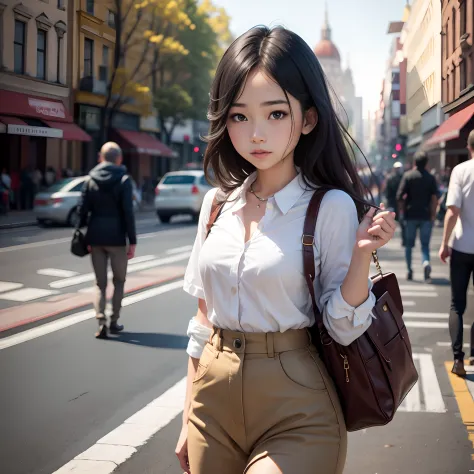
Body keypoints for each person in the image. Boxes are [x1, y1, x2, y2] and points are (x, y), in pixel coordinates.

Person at [175, 26, 396, 474]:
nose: (257, 133)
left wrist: (359, 257)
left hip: (296, 403)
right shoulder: (216, 205)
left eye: (275, 114)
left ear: (308, 118)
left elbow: (344, 328)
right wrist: (187, 414)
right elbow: (202, 321)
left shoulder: (328, 205)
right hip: (210, 404)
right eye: (239, 116)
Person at [78, 142, 137, 339]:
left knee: (99, 283)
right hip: (117, 238)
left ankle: (101, 320)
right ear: (119, 158)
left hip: (95, 237)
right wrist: (132, 240)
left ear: (100, 158)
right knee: (119, 280)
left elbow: (82, 210)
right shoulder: (124, 179)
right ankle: (114, 321)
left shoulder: (90, 179)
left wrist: (83, 235)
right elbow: (128, 212)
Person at [439, 129, 474, 377]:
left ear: (468, 146)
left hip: (462, 245)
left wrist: (444, 243)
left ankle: (458, 359)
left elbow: (452, 211)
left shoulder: (461, 171)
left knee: (457, 305)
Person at [396, 152, 438, 282]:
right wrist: (433, 214)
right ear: (426, 163)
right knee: (425, 244)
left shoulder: (408, 176)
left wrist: (402, 211)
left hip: (410, 215)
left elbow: (399, 196)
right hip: (425, 215)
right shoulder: (430, 178)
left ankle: (409, 271)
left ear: (414, 163)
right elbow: (434, 198)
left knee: (409, 245)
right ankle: (425, 262)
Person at [384, 161, 405, 246]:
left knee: (395, 220)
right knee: (399, 220)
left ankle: (391, 236)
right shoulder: (401, 177)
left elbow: (387, 192)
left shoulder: (392, 178)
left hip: (395, 203)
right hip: (397, 203)